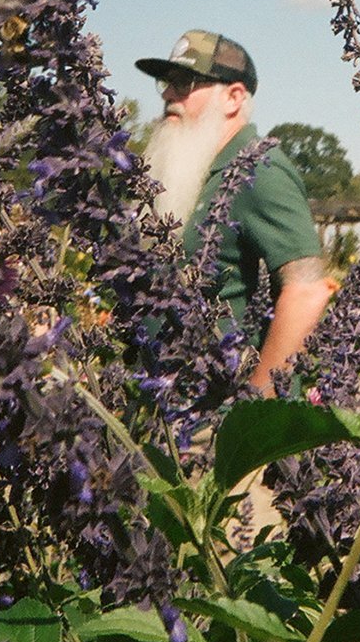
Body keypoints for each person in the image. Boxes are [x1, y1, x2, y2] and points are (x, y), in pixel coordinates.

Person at [137, 30, 333, 394]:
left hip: (214, 422)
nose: (167, 95)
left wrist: (254, 408)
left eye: (184, 83)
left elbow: (306, 291)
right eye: (166, 83)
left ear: (233, 96)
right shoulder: (190, 169)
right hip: (163, 412)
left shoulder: (262, 170)